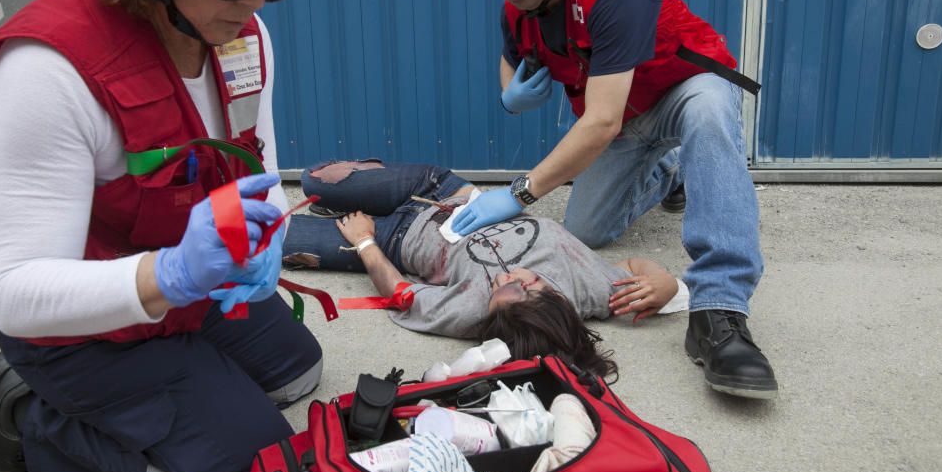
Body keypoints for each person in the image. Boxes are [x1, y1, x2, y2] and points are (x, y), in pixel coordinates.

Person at [0, 0, 324, 472]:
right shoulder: (49, 70)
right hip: (73, 330)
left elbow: (253, 178)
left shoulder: (242, 39)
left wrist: (266, 238)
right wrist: (173, 272)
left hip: (181, 291)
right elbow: (14, 292)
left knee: (299, 374)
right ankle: (27, 416)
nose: (258, 3)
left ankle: (186, 382)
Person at [450, 0, 777, 399]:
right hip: (624, 122)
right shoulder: (519, 6)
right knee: (585, 231)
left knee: (711, 110)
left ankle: (721, 310)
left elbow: (598, 124)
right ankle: (667, 175)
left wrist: (517, 193)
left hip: (680, 95)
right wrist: (510, 93)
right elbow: (510, 57)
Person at [283, 160, 689, 378]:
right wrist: (665, 284)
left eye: (496, 291)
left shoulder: (475, 315)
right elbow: (647, 272)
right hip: (437, 190)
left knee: (269, 239)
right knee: (315, 178)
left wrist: (365, 242)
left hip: (395, 236)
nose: (500, 278)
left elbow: (403, 297)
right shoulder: (590, 288)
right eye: (515, 284)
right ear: (548, 294)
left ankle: (352, 213)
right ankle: (342, 198)